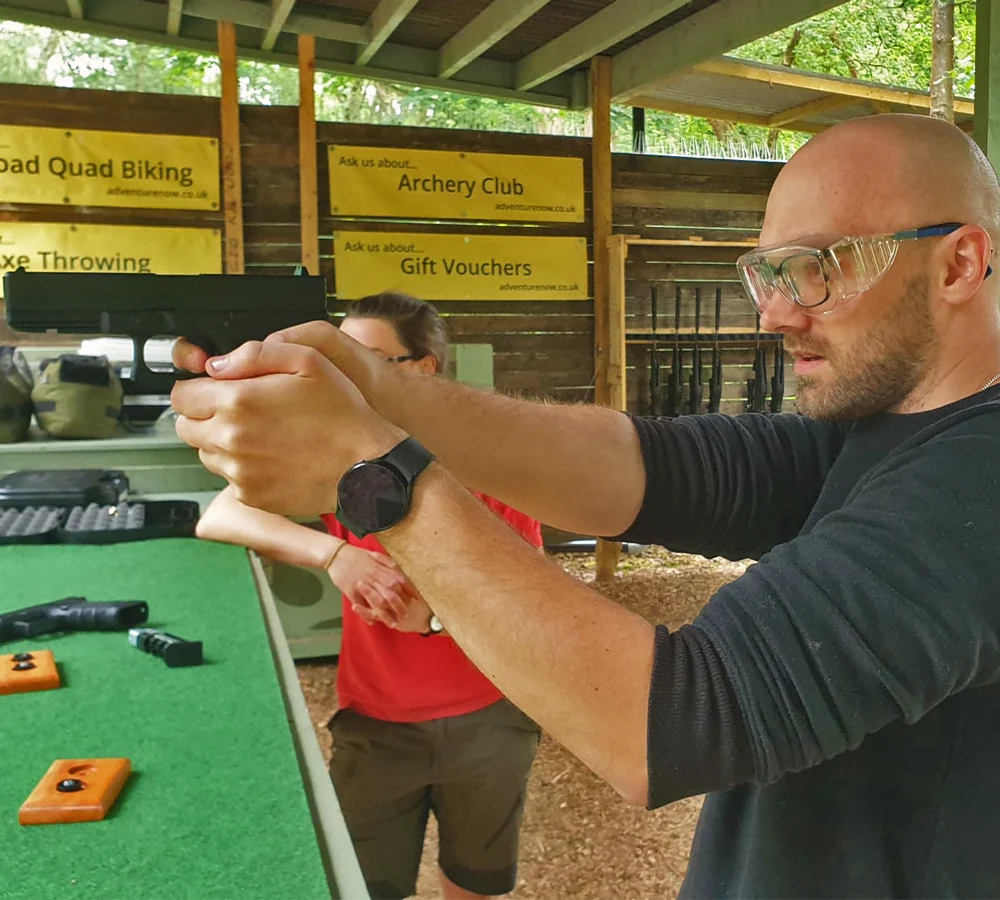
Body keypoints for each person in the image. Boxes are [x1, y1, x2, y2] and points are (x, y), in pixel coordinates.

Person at [171, 113, 1000, 898]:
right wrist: (378, 392)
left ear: (959, 263)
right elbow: (642, 467)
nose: (777, 313)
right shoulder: (884, 423)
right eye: (771, 272)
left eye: (822, 266)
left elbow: (672, 723)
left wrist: (371, 472)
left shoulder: (980, 470)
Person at [192, 292, 544, 900]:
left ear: (422, 369)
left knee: (475, 886)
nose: (346, 378)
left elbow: (533, 613)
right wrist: (337, 554)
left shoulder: (491, 470)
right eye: (338, 359)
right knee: (362, 888)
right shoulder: (343, 461)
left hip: (488, 719)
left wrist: (433, 617)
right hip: (375, 729)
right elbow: (221, 514)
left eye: (366, 359)